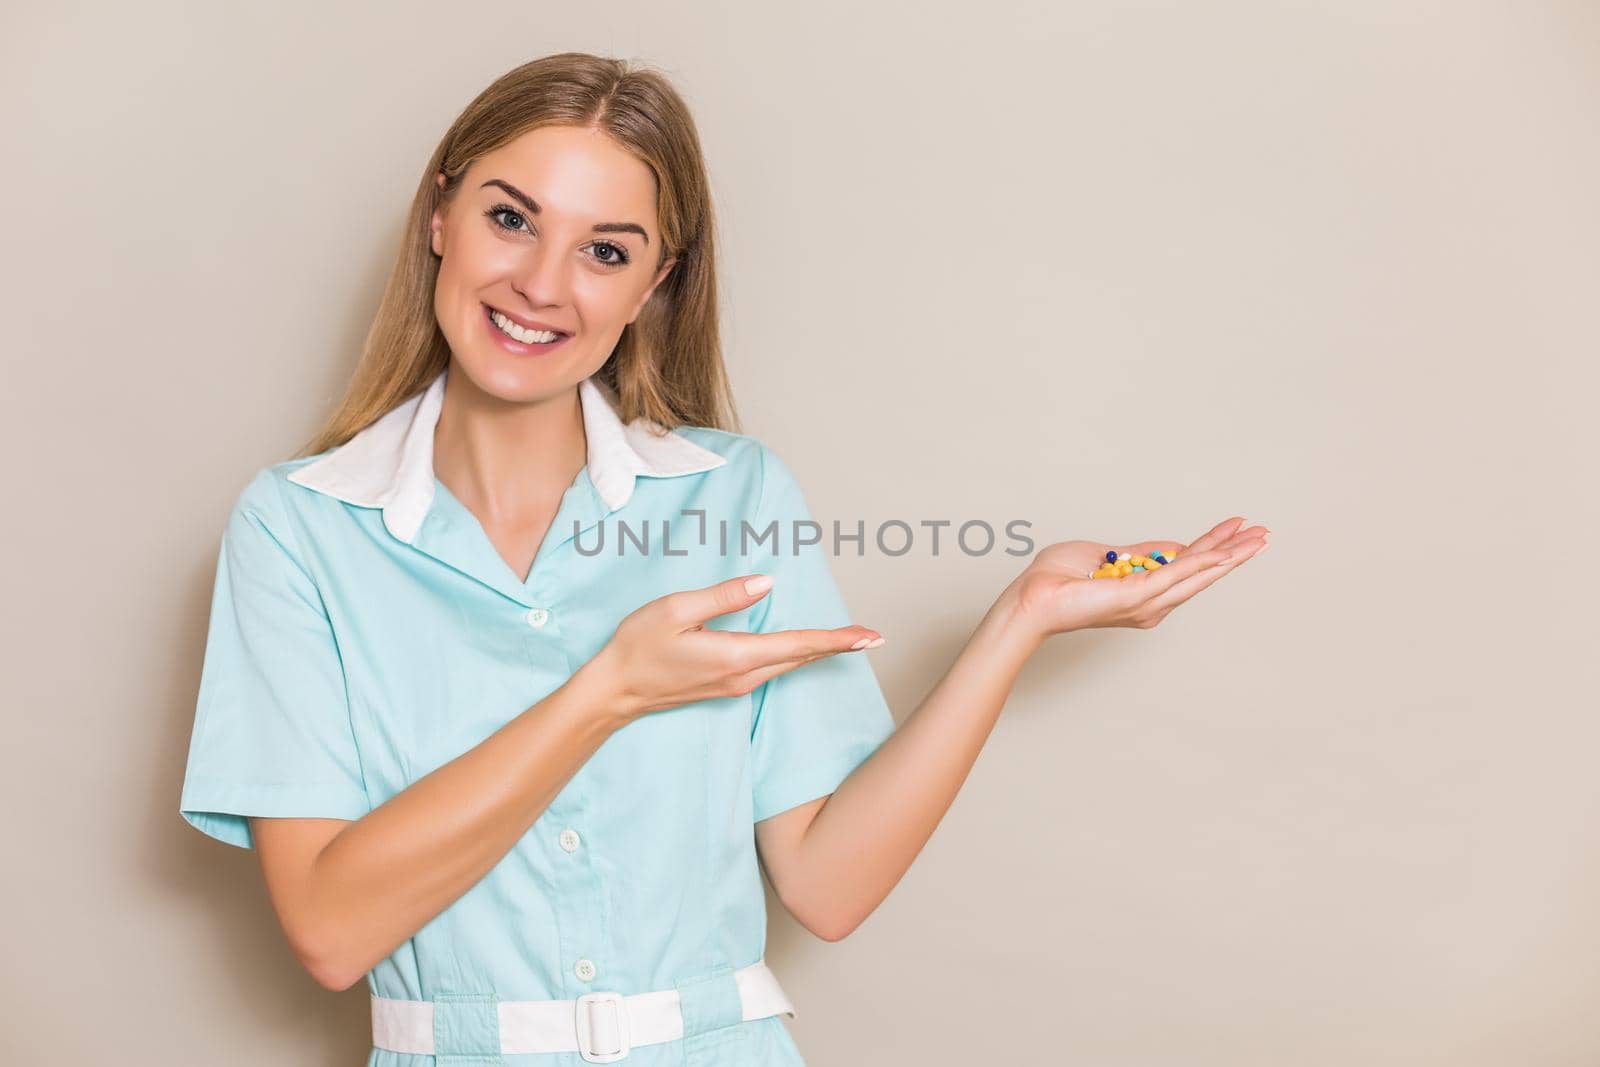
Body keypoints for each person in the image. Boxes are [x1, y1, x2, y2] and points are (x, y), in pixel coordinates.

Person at [178, 52, 1268, 1067]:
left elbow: (828, 885)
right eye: (511, 219)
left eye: (605, 248)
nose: (544, 283)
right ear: (439, 217)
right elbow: (328, 930)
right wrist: (607, 690)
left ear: (655, 281)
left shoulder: (734, 494)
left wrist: (1018, 619)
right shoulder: (298, 527)